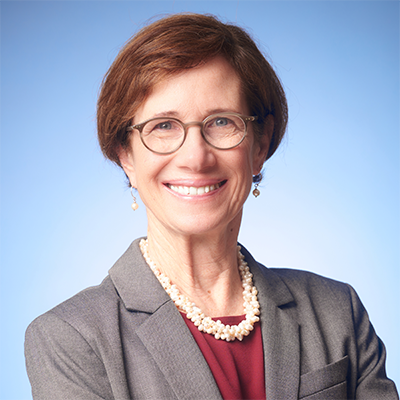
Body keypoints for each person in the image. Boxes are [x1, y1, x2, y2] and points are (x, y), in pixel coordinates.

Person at [25, 13, 398, 400]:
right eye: (163, 126)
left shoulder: (337, 313)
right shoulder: (72, 339)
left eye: (221, 122)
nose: (196, 157)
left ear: (260, 146)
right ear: (126, 156)